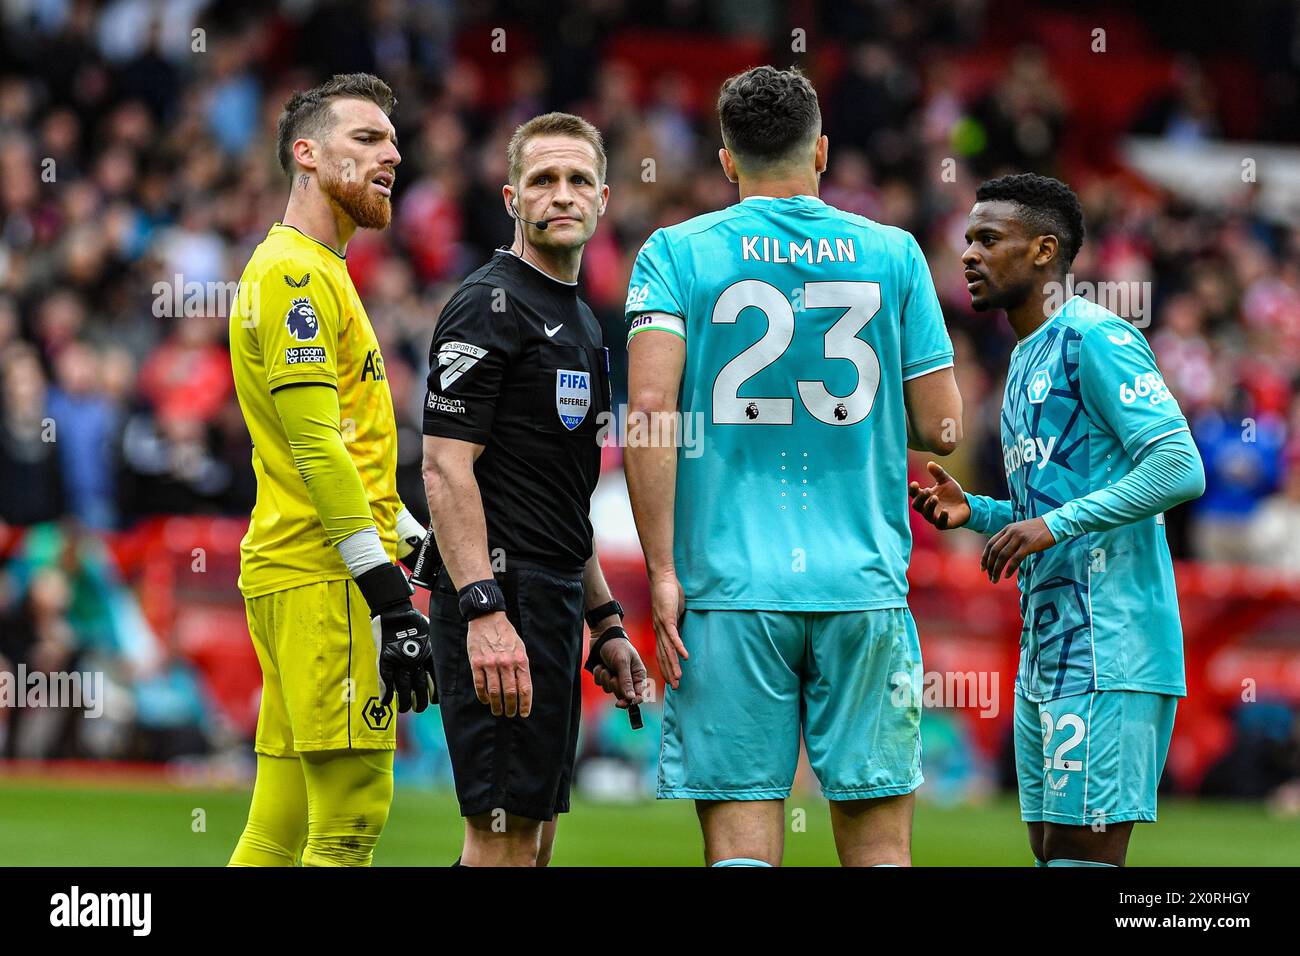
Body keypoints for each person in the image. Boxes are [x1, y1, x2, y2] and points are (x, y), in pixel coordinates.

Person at [623, 66, 962, 867]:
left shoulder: (676, 252)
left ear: (727, 161)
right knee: (880, 851)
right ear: (822, 153)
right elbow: (943, 427)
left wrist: (662, 568)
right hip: (861, 587)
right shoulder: (894, 253)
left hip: (729, 589)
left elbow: (647, 414)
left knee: (742, 849)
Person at [910, 173, 1206, 866]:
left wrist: (1052, 526)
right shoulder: (1021, 362)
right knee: (1053, 852)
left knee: (1082, 853)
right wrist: (978, 512)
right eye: (967, 240)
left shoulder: (1095, 337)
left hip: (1111, 643)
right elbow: (1052, 509)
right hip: (1050, 648)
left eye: (989, 239)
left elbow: (1178, 467)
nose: (969, 255)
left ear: (1044, 251)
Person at [421, 112, 648, 867]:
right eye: (544, 180)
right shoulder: (487, 304)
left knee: (533, 845)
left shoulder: (583, 321)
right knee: (501, 847)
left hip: (551, 605)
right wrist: (483, 611)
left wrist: (606, 620)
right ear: (513, 195)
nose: (562, 194)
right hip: (500, 599)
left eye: (578, 180)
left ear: (603, 198)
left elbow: (565, 501)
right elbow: (444, 467)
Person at [226, 73, 436, 868]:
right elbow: (317, 450)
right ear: (306, 156)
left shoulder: (311, 266)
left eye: (392, 139)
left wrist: (414, 543)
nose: (394, 153)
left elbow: (340, 449)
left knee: (276, 829)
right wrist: (388, 593)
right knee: (350, 820)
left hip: (298, 568)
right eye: (368, 138)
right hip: (326, 580)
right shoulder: (296, 273)